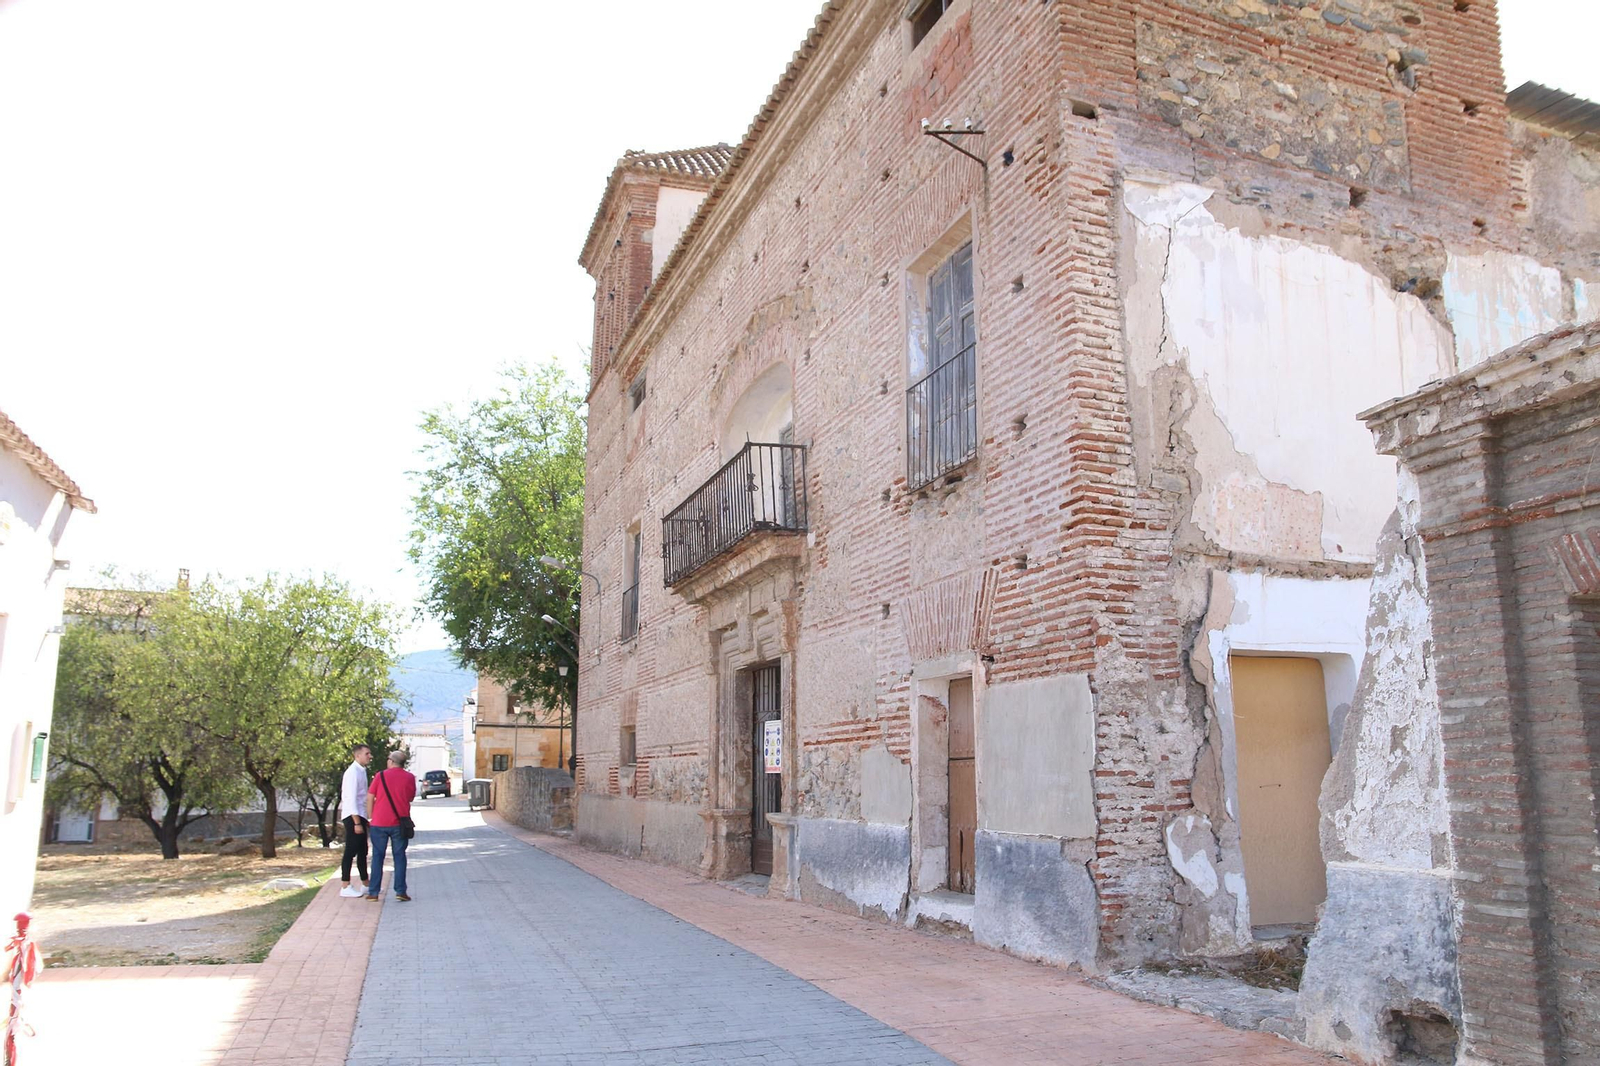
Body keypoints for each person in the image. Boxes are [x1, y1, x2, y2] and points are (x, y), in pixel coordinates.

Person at [367, 748, 417, 902]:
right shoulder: (409, 777)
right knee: (399, 856)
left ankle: (373, 893)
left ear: (391, 761)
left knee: (378, 856)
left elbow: (370, 797)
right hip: (399, 823)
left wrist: (370, 816)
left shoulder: (380, 776)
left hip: (379, 822)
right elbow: (410, 798)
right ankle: (400, 891)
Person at [338, 743, 373, 898]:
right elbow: (350, 799)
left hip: (361, 816)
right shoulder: (352, 772)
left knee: (363, 851)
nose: (370, 756)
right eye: (367, 753)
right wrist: (357, 822)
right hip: (353, 816)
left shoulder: (361, 771)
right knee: (350, 851)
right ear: (357, 755)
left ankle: (366, 884)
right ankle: (345, 885)